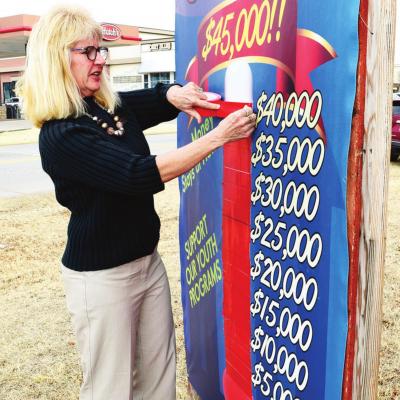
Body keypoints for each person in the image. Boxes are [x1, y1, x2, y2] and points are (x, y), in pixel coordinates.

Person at [17, 6, 256, 400]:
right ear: (58, 58)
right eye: (88, 52)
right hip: (101, 279)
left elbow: (153, 100)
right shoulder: (61, 135)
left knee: (159, 376)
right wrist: (218, 138)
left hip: (146, 264)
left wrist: (173, 93)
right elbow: (137, 173)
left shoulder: (102, 107)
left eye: (101, 49)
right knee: (109, 387)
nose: (101, 60)